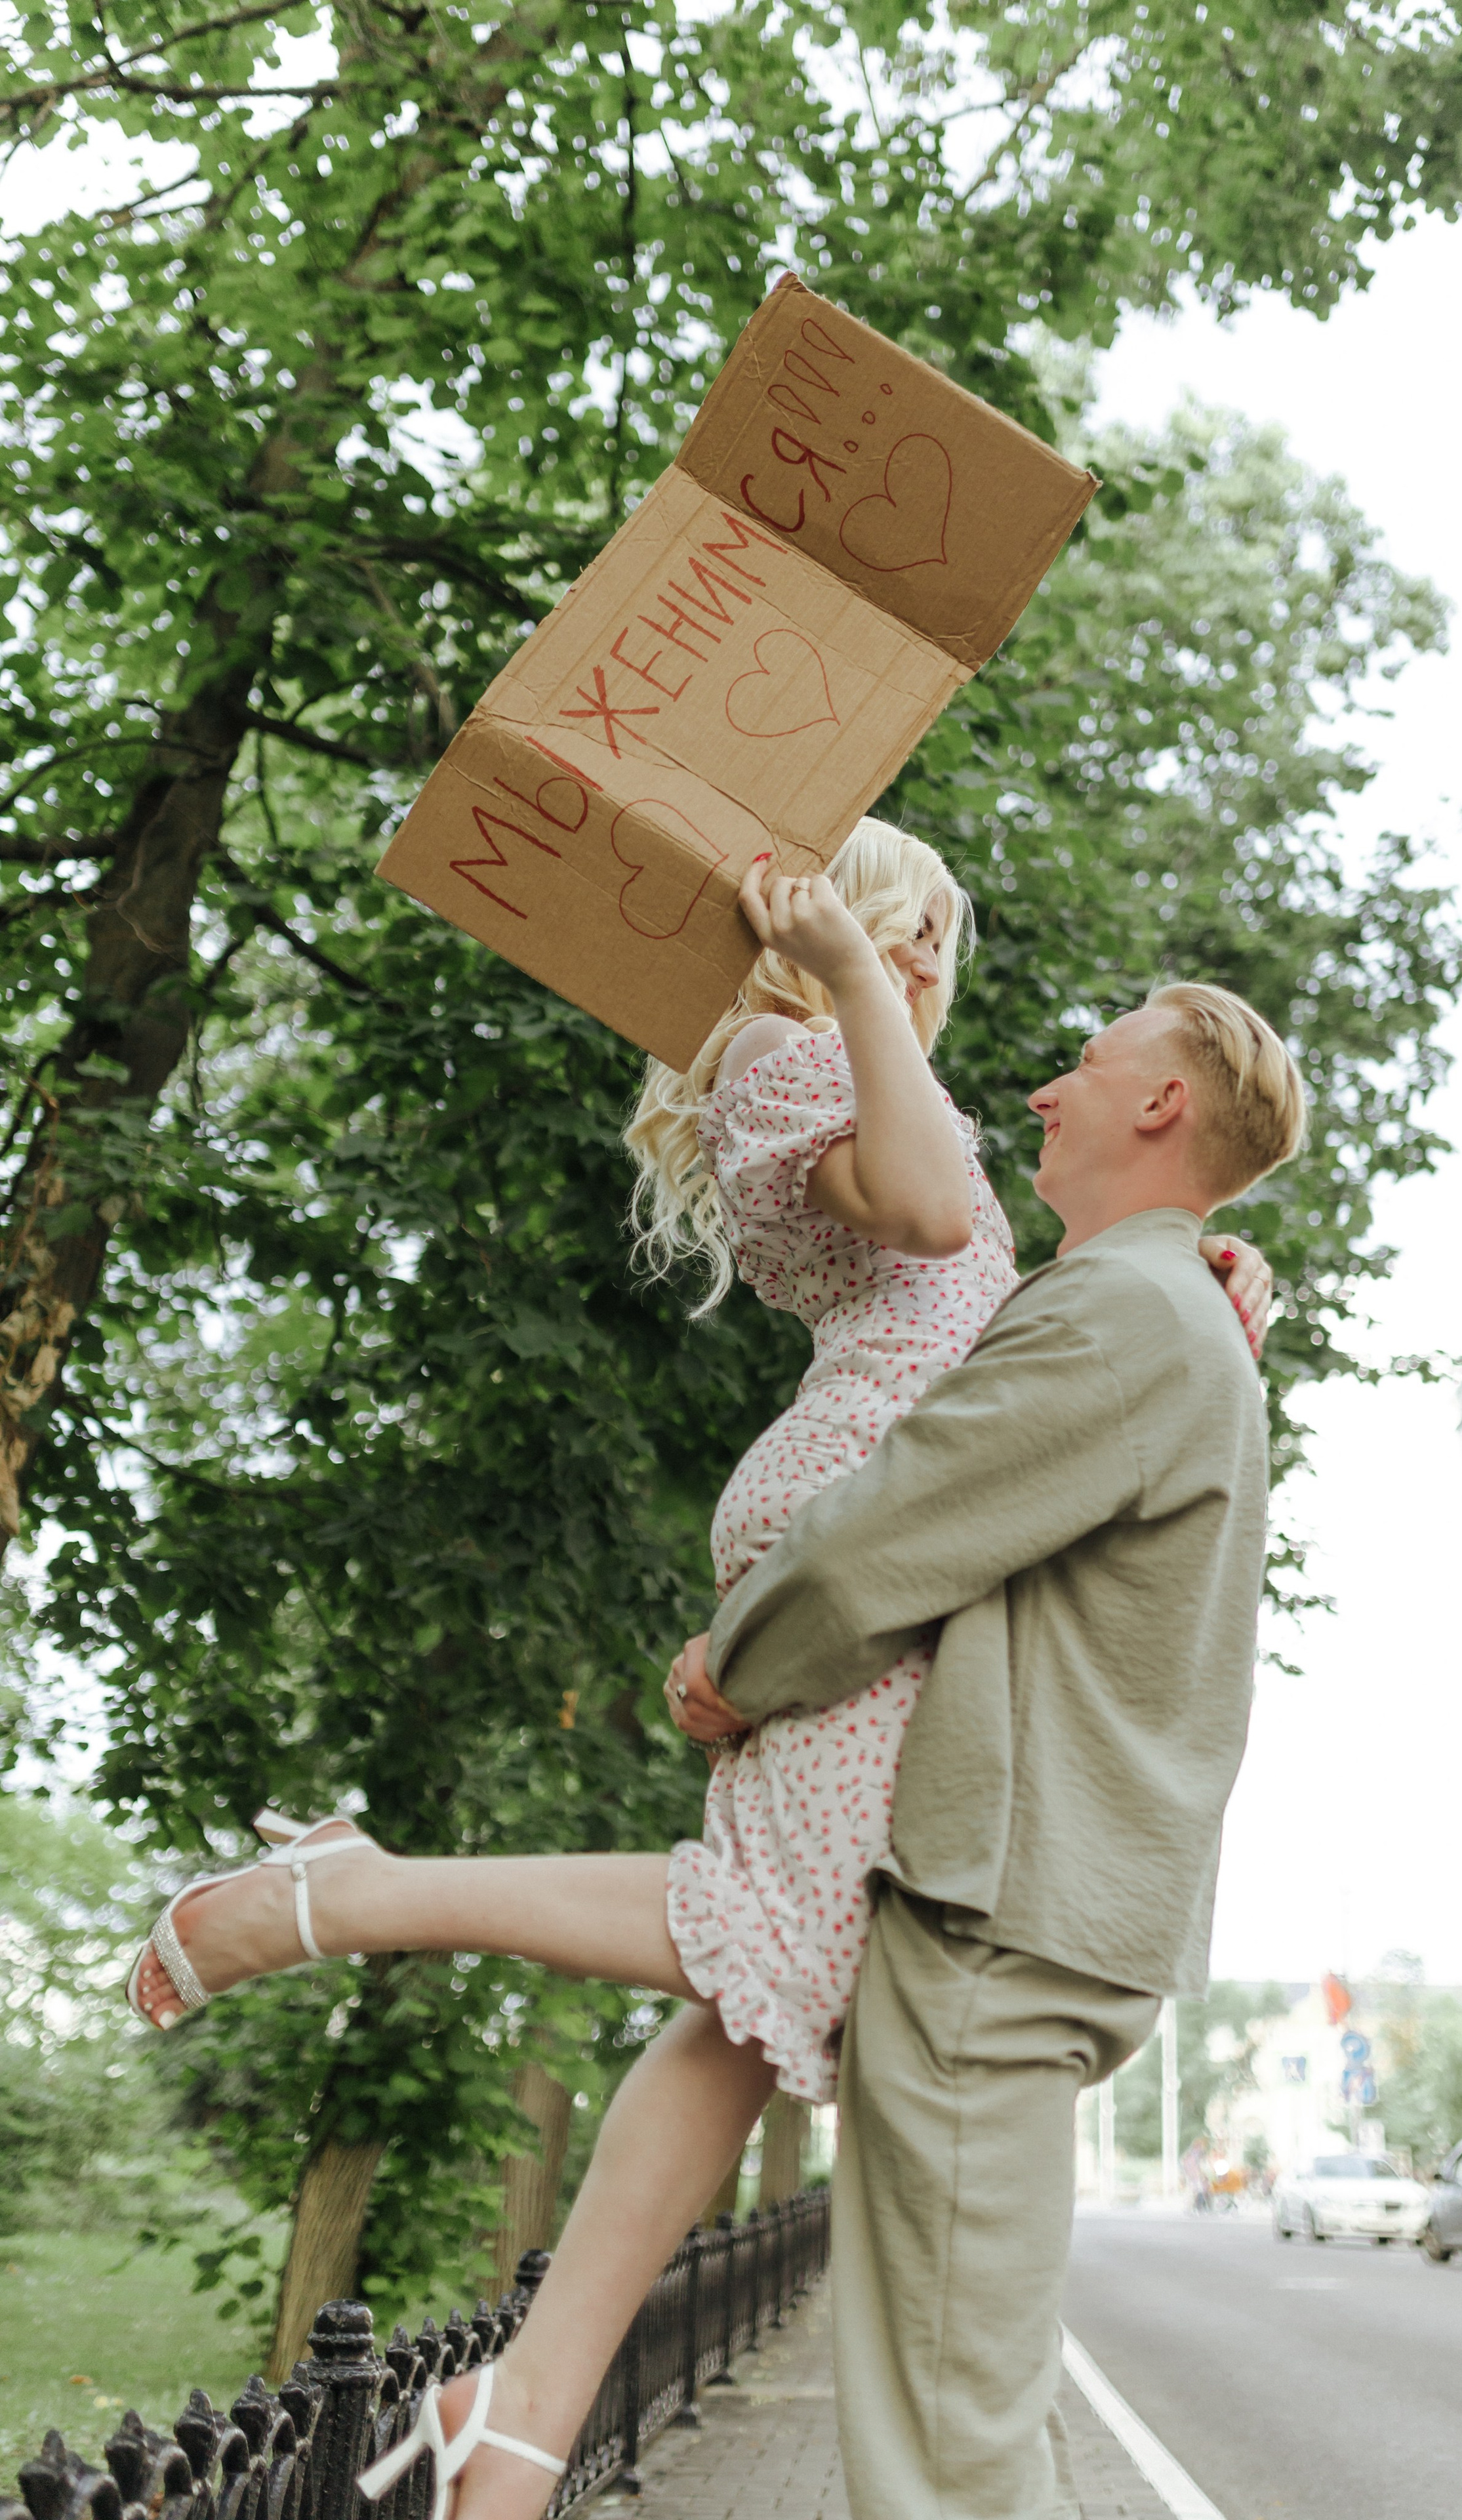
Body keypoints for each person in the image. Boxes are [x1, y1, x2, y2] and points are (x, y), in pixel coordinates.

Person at [125, 818, 1281, 2520]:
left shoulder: (860, 1072)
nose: (930, 969)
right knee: (772, 1933)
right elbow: (932, 1215)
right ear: (821, 932)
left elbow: (1014, 1312)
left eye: (934, 943)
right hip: (859, 1531)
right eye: (906, 930)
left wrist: (1185, 1255)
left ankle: (523, 2418)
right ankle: (353, 1893)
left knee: (756, 1995)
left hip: (877, 1516)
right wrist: (840, 976)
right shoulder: (783, 1059)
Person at [666, 976, 1307, 2520]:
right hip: (1050, 1908)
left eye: (1084, 1063)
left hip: (997, 1914)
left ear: (1160, 1103)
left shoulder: (1130, 1312)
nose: (1041, 1090)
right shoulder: (1170, 1308)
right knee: (980, 2417)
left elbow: (898, 1525)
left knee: (945, 2456)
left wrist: (735, 1665)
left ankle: (321, 1898)